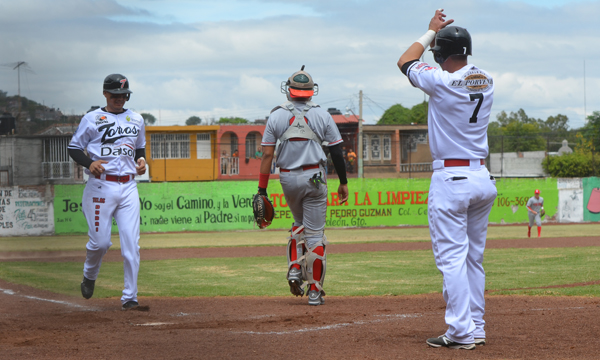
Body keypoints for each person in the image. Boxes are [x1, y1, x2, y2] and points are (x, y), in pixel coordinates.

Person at [398, 10, 497, 350]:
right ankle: (477, 327)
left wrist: (429, 32)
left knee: (453, 259)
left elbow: (405, 61)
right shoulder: (486, 78)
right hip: (482, 176)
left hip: (452, 178)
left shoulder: (441, 81)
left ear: (440, 54)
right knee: (473, 259)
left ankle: (459, 332)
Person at [258, 65, 349, 306]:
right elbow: (337, 151)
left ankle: (295, 269)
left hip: (287, 178)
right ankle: (314, 292)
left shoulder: (276, 115)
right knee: (315, 235)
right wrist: (343, 182)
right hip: (315, 177)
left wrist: (262, 189)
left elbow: (267, 156)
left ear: (288, 91)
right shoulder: (322, 115)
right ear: (311, 91)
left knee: (298, 224)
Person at [68, 74, 146, 311]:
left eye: (124, 95)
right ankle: (89, 275)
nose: (120, 99)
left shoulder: (137, 118)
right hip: (101, 185)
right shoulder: (91, 119)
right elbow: (73, 147)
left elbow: (138, 147)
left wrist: (141, 160)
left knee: (132, 245)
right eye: (115, 95)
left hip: (129, 186)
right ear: (105, 94)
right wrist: (88, 163)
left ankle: (130, 298)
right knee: (101, 243)